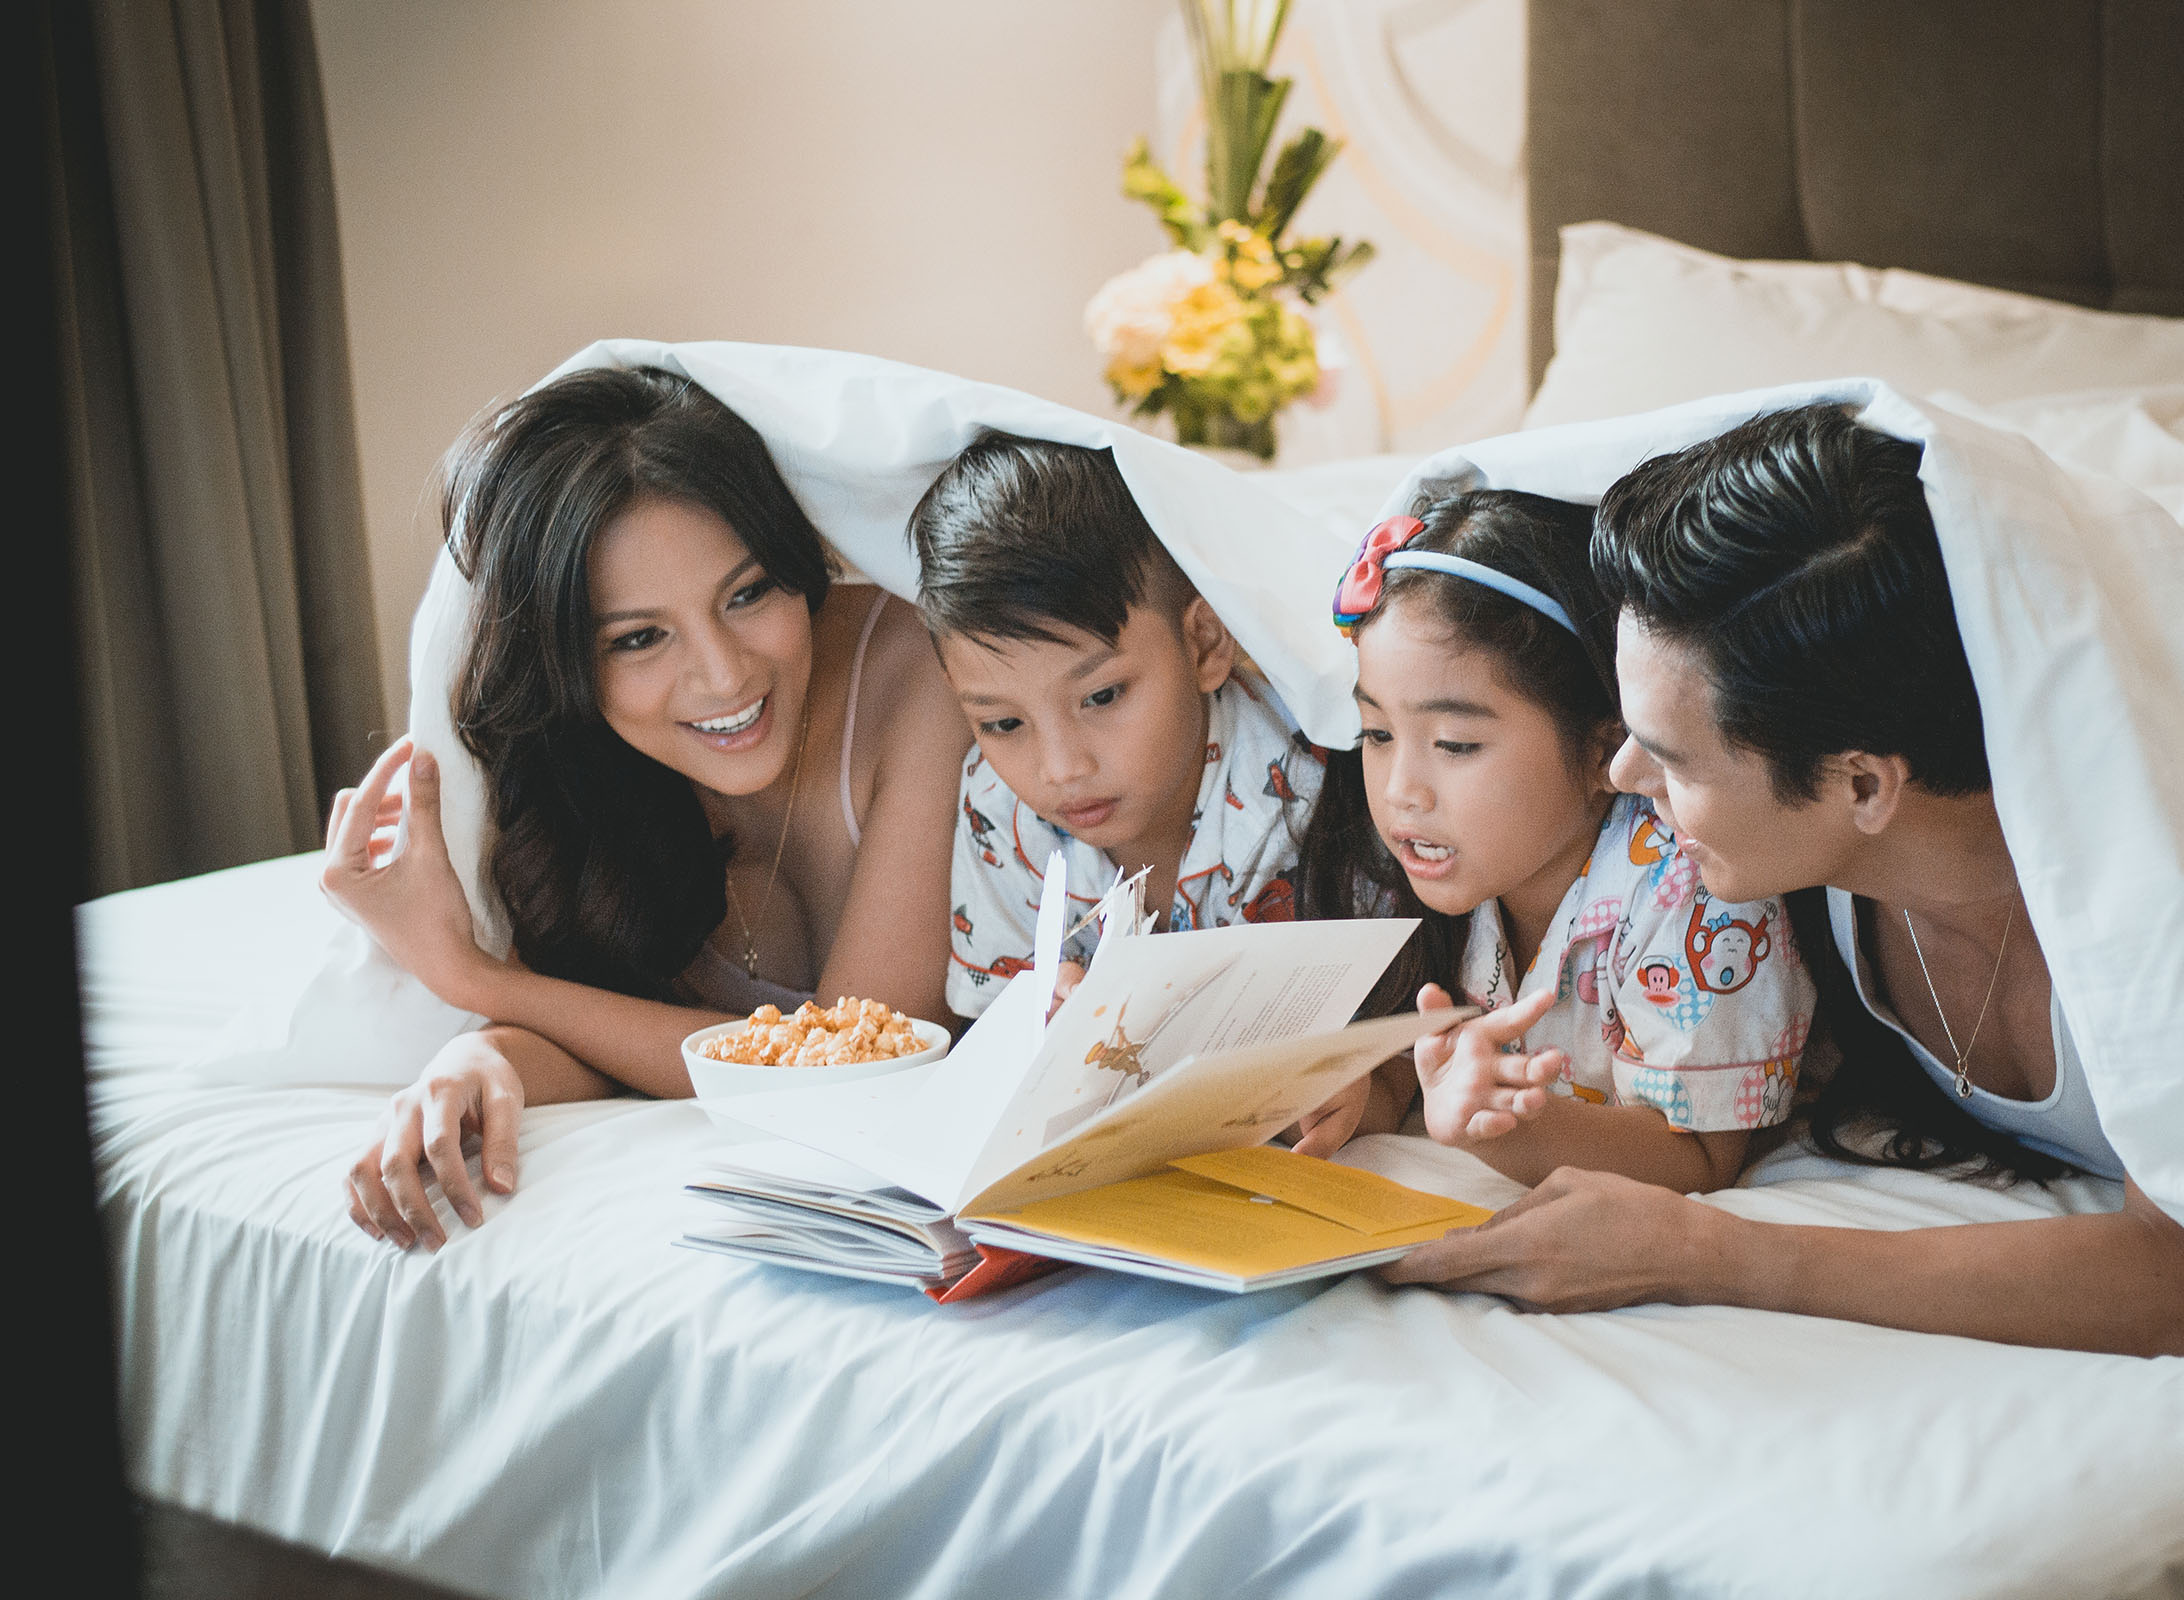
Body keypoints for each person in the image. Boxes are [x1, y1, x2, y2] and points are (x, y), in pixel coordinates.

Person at [1385, 404, 2184, 1359]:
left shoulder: (2164, 897)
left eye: (1673, 759)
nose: (1624, 779)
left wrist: (1711, 1254)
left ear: (1862, 783)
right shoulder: (1801, 867)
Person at [323, 367, 972, 1251]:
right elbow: (596, 1020)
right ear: (564, 667)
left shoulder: (919, 669)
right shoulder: (575, 768)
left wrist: (477, 982)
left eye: (747, 593)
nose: (725, 674)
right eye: (637, 638)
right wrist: (488, 1054)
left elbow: (849, 1071)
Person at [1296, 491, 1814, 1187]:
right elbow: (1419, 1059)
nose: (1399, 791)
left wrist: (1510, 1125)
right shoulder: (1420, 858)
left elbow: (1700, 1155)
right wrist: (1366, 1092)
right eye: (1377, 735)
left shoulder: (1693, 886)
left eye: (1454, 743)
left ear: (1604, 747)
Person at [908, 431, 1352, 1146]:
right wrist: (1035, 1038)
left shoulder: (1316, 785)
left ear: (1206, 644)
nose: (1059, 768)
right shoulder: (998, 808)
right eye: (1002, 722)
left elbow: (1390, 1043)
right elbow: (988, 1034)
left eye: (1104, 696)